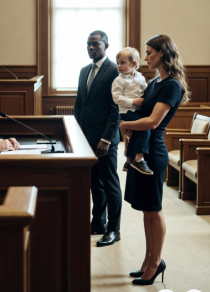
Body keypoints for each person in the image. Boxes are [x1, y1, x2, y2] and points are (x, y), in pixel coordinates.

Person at [119, 34, 190, 285]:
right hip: (142, 148)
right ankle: (148, 260)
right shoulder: (153, 82)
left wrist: (125, 124)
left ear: (162, 53)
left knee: (154, 209)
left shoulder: (171, 84)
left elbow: (153, 122)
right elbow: (142, 113)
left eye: (149, 52)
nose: (145, 56)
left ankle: (156, 261)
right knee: (146, 210)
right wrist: (130, 124)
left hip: (154, 151)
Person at [74, 30, 122, 247]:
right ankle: (98, 223)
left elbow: (115, 109)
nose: (91, 48)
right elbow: (79, 104)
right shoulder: (84, 70)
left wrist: (106, 139)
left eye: (95, 44)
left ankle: (114, 230)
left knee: (110, 184)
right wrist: (76, 131)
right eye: (88, 44)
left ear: (106, 46)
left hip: (105, 140)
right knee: (95, 183)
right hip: (86, 137)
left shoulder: (114, 70)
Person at [112, 47, 153, 175]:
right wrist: (132, 101)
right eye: (118, 63)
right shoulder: (119, 80)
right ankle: (139, 159)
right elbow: (116, 98)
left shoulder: (140, 78)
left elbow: (145, 91)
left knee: (135, 136)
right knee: (144, 130)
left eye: (123, 63)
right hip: (127, 111)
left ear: (134, 64)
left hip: (138, 111)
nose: (119, 66)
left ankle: (129, 161)